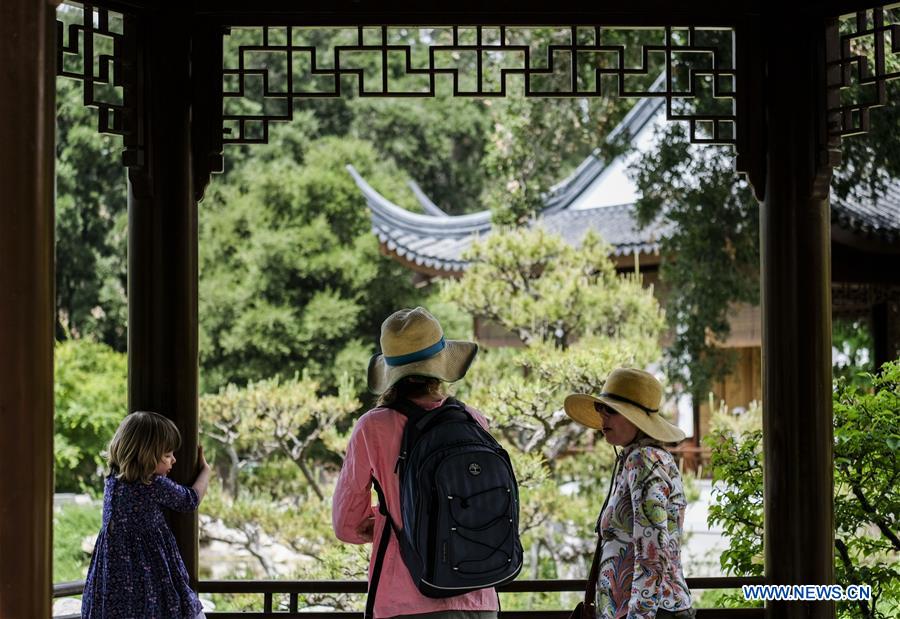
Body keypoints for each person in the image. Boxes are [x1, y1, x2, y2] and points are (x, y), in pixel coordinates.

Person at [332, 306, 500, 619]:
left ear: (391, 372)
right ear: (441, 364)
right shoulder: (475, 420)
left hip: (406, 600)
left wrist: (395, 516)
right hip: (479, 597)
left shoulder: (373, 427)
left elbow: (346, 525)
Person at [564, 368, 695, 619]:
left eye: (611, 410)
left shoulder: (643, 460)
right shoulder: (638, 458)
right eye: (600, 408)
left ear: (636, 419)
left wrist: (639, 616)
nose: (602, 416)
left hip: (648, 613)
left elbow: (652, 550)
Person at [81, 411, 212, 619]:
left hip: (116, 572)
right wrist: (206, 472)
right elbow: (190, 500)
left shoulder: (113, 481)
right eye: (167, 455)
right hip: (149, 567)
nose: (174, 460)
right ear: (147, 455)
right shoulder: (152, 484)